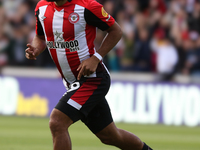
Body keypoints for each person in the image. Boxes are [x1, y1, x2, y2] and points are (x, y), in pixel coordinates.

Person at [25, 0, 153, 150]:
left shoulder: (87, 6)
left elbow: (116, 31)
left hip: (93, 79)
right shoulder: (42, 8)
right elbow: (41, 37)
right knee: (110, 136)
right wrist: (35, 49)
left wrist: (96, 58)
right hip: (74, 82)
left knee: (57, 121)